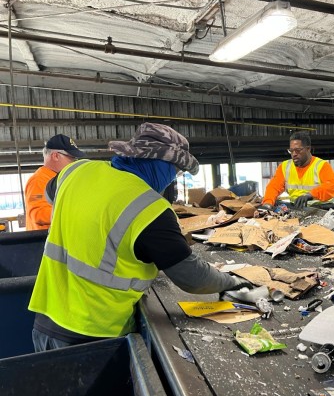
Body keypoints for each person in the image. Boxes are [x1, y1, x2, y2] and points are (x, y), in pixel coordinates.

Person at [28, 123, 251, 352]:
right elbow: (193, 278)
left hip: (45, 322)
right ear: (159, 163)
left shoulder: (77, 171)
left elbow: (49, 193)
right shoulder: (150, 208)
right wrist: (233, 281)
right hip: (94, 335)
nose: (172, 180)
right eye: (174, 171)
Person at [259, 131, 334, 210]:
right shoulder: (285, 166)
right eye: (291, 151)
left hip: (322, 209)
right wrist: (268, 203)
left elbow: (333, 185)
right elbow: (274, 186)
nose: (294, 154)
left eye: (298, 150)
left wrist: (310, 195)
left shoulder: (321, 166)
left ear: (308, 149)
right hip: (297, 209)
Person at [25, 134, 87, 231]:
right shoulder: (39, 180)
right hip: (42, 242)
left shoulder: (60, 178)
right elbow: (38, 214)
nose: (74, 162)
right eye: (72, 158)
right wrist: (75, 212)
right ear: (56, 156)